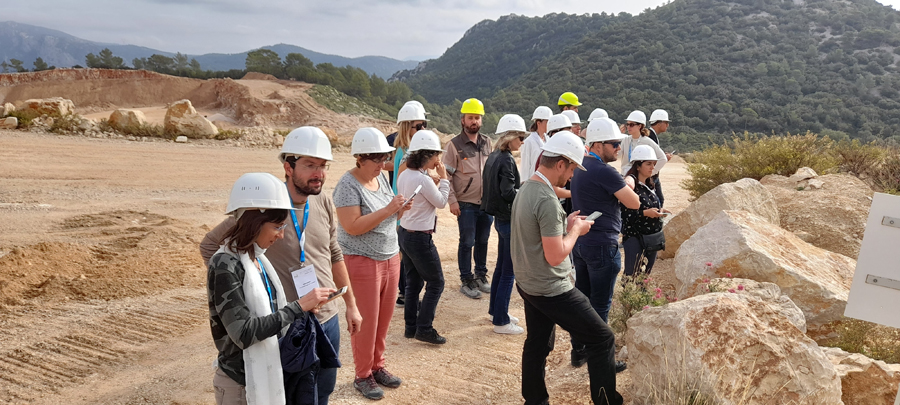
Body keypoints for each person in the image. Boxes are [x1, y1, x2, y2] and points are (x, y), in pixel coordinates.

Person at [201, 127, 361, 405]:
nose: (319, 173)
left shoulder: (322, 200)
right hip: (284, 324)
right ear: (288, 167)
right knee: (288, 393)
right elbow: (211, 246)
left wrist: (351, 305)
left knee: (322, 390)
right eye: (310, 165)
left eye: (323, 166)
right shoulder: (264, 204)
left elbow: (334, 251)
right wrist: (238, 288)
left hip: (325, 318)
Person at [511, 131, 623, 405]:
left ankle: (535, 400)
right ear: (560, 163)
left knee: (537, 344)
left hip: (528, 283)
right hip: (551, 287)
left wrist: (565, 224)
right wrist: (576, 231)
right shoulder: (547, 200)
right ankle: (606, 401)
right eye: (572, 167)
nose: (572, 175)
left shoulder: (527, 187)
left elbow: (534, 235)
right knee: (602, 339)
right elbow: (555, 255)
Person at [207, 172, 336, 405]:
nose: (282, 235)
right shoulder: (226, 264)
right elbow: (244, 333)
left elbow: (269, 313)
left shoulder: (257, 259)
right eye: (277, 226)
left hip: (262, 373)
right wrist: (297, 307)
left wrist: (303, 309)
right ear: (253, 222)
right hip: (240, 384)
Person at [333, 128, 409, 400]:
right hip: (362, 261)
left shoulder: (381, 180)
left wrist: (398, 211)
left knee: (384, 319)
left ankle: (378, 366)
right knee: (366, 321)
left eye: (385, 157)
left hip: (390, 256)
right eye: (377, 159)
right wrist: (389, 210)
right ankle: (363, 374)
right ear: (360, 158)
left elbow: (386, 215)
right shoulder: (347, 185)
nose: (382, 164)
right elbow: (351, 226)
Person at [569, 118, 640, 371]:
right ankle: (601, 360)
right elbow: (634, 203)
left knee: (583, 301)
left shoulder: (579, 167)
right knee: (600, 305)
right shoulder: (605, 171)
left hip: (582, 243)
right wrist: (629, 182)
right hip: (602, 245)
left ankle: (578, 351)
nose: (618, 148)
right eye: (614, 144)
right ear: (598, 145)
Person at [397, 130, 451, 344]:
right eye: (437, 154)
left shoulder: (405, 175)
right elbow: (441, 202)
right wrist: (445, 180)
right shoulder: (423, 179)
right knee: (436, 282)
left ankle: (411, 327)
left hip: (405, 232)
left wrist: (432, 181)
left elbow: (420, 195)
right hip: (420, 237)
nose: (439, 159)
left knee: (413, 283)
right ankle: (424, 328)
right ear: (427, 155)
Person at [443, 98, 493, 299]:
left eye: (477, 118)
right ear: (463, 120)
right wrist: (452, 201)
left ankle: (481, 275)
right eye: (471, 118)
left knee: (483, 240)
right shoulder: (454, 145)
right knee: (467, 241)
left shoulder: (487, 142)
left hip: (486, 203)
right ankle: (466, 279)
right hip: (465, 204)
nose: (475, 121)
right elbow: (446, 176)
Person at [481, 114, 526, 335]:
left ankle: (496, 311)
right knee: (508, 271)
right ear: (510, 137)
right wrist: (524, 191)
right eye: (520, 136)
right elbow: (508, 192)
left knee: (501, 268)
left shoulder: (494, 155)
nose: (522, 141)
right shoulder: (507, 159)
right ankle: (501, 321)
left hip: (499, 217)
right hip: (507, 219)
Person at [391, 101, 429, 308]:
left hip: (403, 207)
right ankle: (405, 293)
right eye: (419, 126)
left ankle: (405, 293)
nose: (423, 129)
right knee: (407, 254)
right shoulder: (407, 153)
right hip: (405, 208)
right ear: (407, 127)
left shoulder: (402, 150)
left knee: (404, 252)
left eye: (423, 125)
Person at [621, 145, 671, 277]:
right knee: (632, 275)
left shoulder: (650, 185)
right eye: (648, 164)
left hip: (651, 238)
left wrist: (659, 210)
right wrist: (645, 213)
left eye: (654, 164)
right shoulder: (630, 186)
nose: (652, 167)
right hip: (635, 237)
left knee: (645, 275)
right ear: (638, 166)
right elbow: (624, 214)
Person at [618, 110, 667, 177]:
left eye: (631, 125)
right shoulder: (625, 140)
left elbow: (663, 158)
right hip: (625, 176)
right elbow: (616, 154)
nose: (628, 127)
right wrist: (618, 136)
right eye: (627, 124)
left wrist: (651, 173)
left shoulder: (647, 141)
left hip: (639, 179)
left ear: (640, 126)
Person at [647, 109, 673, 208]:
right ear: (659, 123)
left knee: (658, 200)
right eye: (666, 122)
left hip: (653, 175)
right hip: (651, 176)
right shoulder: (650, 136)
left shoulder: (651, 135)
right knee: (657, 201)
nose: (667, 125)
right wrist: (664, 157)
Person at [519, 106, 551, 183]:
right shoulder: (528, 142)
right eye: (547, 122)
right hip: (533, 183)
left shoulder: (549, 140)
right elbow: (525, 167)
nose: (550, 124)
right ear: (538, 123)